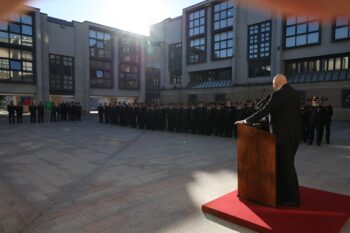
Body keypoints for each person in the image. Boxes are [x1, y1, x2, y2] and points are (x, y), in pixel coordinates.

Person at [235, 74, 301, 207]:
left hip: (282, 137)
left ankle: (292, 199)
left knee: (286, 168)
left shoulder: (279, 94)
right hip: (294, 136)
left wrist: (246, 121)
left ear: (276, 83)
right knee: (286, 166)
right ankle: (283, 194)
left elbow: (264, 110)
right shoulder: (294, 93)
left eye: (273, 84)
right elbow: (282, 114)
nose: (273, 86)